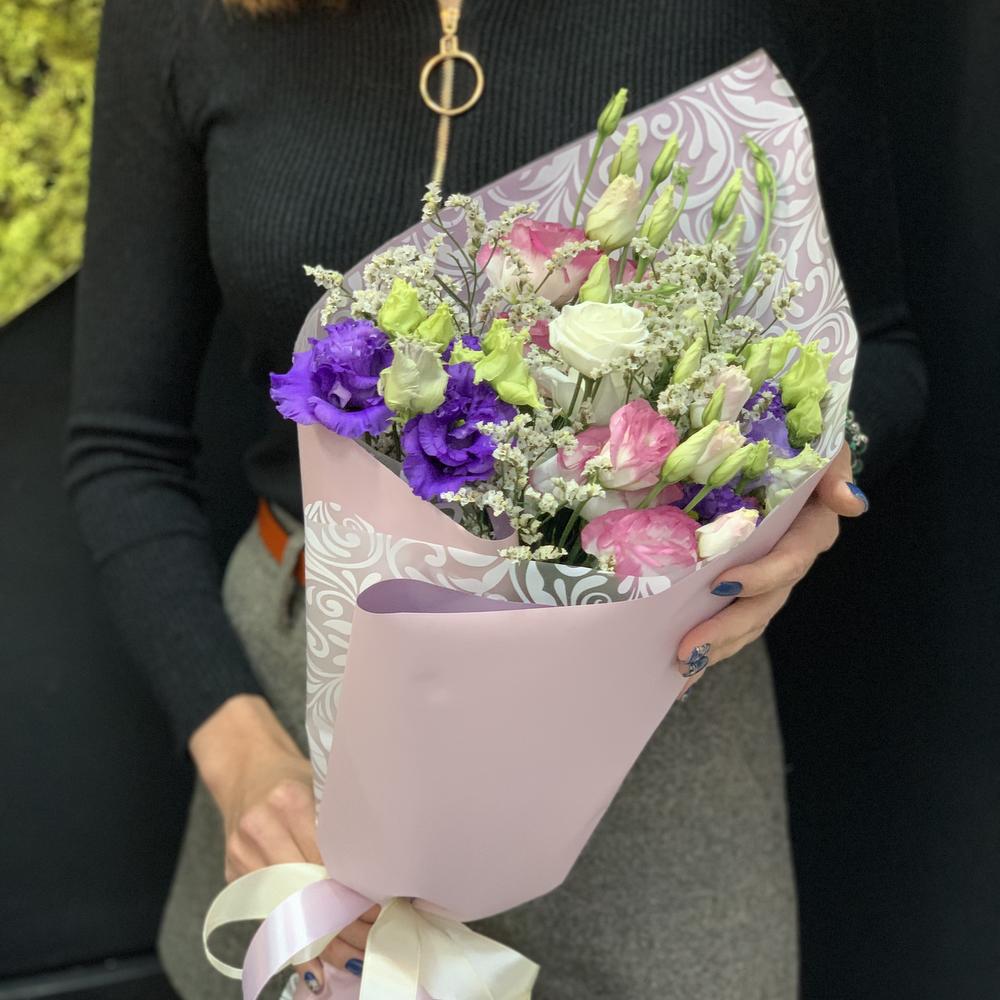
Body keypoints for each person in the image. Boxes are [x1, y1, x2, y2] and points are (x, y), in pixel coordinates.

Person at [65, 0, 926, 997]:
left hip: (658, 714)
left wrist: (807, 490)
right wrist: (242, 755)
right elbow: (121, 448)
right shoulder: (188, 16)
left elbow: (881, 351)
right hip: (300, 731)